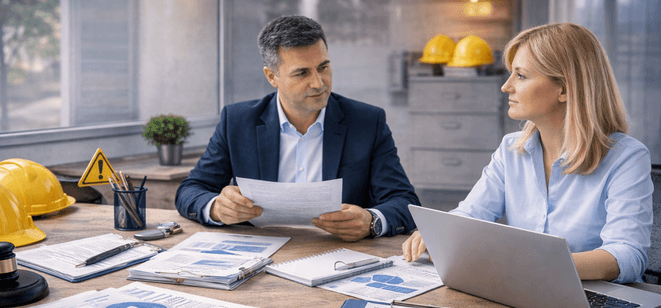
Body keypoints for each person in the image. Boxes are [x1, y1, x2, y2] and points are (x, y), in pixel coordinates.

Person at [402, 23, 653, 284]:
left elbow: (627, 255)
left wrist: (527, 266)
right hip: (523, 289)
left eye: (520, 76)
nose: (506, 87)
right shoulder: (511, 150)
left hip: (591, 294)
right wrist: (439, 233)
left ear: (564, 89)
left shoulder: (627, 158)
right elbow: (471, 214)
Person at [175, 15, 420, 242]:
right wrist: (217, 207)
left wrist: (372, 221)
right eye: (302, 73)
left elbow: (405, 202)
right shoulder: (238, 121)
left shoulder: (367, 122)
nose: (318, 83)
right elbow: (191, 190)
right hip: (257, 254)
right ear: (272, 76)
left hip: (339, 256)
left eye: (323, 67)